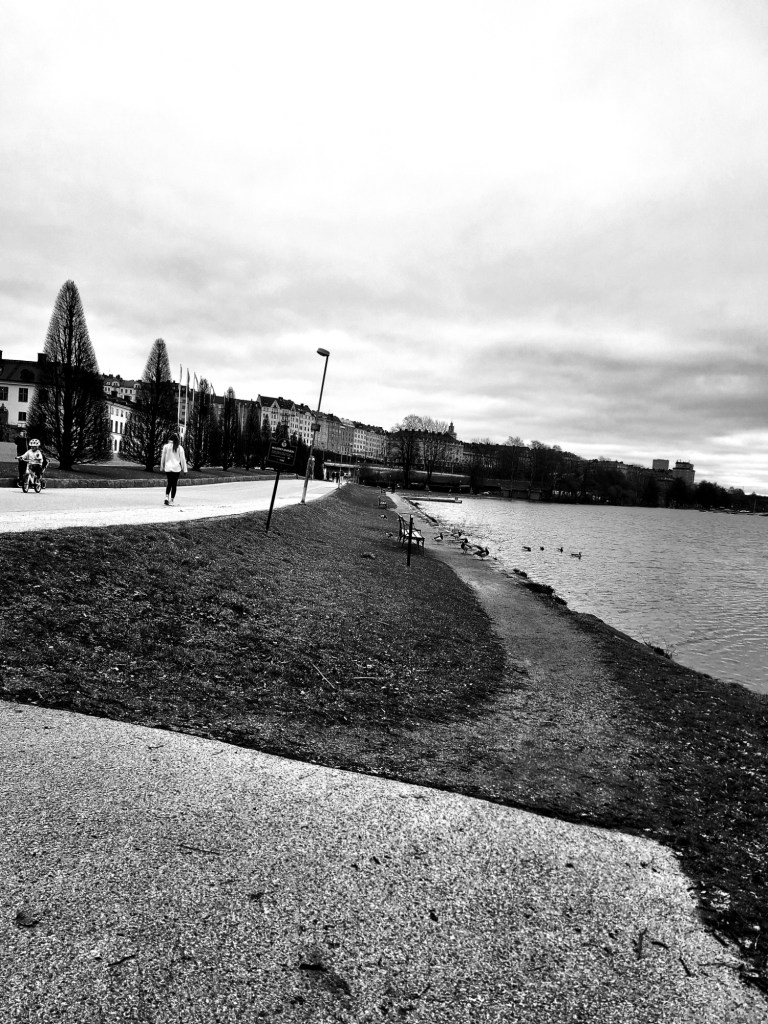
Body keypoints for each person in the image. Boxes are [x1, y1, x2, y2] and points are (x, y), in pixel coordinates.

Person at [160, 432, 187, 506]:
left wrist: (162, 466)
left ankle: (166, 496)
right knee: (174, 484)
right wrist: (185, 469)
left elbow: (163, 457)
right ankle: (172, 500)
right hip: (176, 468)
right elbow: (183, 459)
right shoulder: (180, 448)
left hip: (168, 468)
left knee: (169, 482)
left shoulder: (166, 447)